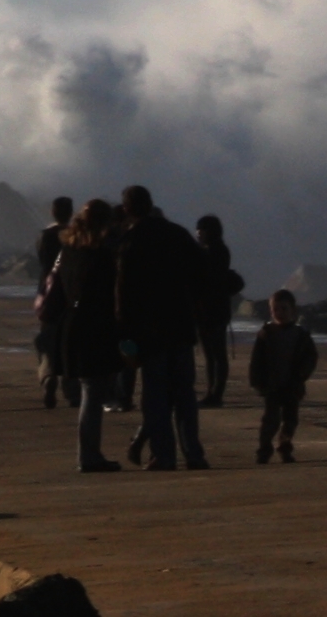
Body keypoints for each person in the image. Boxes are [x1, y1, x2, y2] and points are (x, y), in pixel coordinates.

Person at [115, 185, 210, 471]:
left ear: (127, 209)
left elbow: (123, 293)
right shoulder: (178, 234)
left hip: (149, 332)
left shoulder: (130, 242)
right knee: (184, 394)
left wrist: (124, 334)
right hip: (181, 325)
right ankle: (194, 454)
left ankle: (163, 455)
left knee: (155, 396)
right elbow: (201, 271)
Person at [56, 199, 125, 471]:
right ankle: (89, 455)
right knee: (93, 392)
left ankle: (89, 454)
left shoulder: (69, 249)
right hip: (95, 327)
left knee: (90, 391)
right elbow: (107, 295)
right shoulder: (100, 255)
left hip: (73, 323)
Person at [250, 288, 319, 464]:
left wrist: (301, 375)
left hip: (292, 385)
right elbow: (256, 360)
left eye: (283, 308)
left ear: (293, 310)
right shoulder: (266, 334)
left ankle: (284, 447)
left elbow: (311, 357)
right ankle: (264, 449)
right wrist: (257, 381)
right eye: (275, 309)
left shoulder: (301, 335)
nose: (279, 313)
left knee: (291, 420)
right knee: (270, 421)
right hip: (271, 385)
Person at [31, 196, 76, 409]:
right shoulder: (76, 235)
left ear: (53, 212)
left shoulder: (45, 236)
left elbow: (42, 262)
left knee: (47, 340)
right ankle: (71, 388)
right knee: (70, 341)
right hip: (71, 294)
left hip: (49, 294)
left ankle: (48, 376)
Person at [193, 214, 241, 407]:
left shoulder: (214, 252)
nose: (198, 234)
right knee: (213, 354)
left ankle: (215, 394)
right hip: (215, 309)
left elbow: (208, 280)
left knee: (215, 355)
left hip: (212, 310)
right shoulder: (219, 251)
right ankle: (213, 393)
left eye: (201, 230)